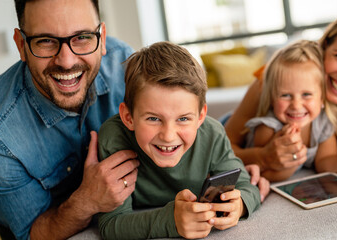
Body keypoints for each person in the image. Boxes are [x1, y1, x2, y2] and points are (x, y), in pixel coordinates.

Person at [0, 0, 140, 239]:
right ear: (21, 45)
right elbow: (33, 235)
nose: (67, 61)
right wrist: (87, 201)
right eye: (46, 41)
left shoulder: (124, 63)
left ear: (102, 38)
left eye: (82, 37)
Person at [97, 41, 268, 239]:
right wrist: (171, 221)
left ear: (201, 116)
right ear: (128, 117)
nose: (168, 135)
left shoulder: (212, 133)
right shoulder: (114, 138)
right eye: (153, 118)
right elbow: (111, 224)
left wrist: (239, 206)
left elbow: (248, 188)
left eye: (183, 119)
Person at [225, 8, 337, 174]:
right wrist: (262, 156)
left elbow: (326, 162)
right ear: (324, 47)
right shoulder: (279, 78)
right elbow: (221, 149)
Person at [244, 40, 337, 182]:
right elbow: (265, 174)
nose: (296, 106)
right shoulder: (267, 128)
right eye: (285, 95)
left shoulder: (323, 123)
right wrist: (293, 162)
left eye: (307, 95)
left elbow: (324, 164)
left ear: (322, 98)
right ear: (272, 99)